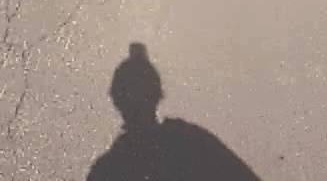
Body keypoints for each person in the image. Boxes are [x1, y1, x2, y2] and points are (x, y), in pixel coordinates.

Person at [87, 43, 261, 181]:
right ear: (157, 95)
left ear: (115, 99)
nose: (136, 103)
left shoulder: (109, 169)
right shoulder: (190, 142)